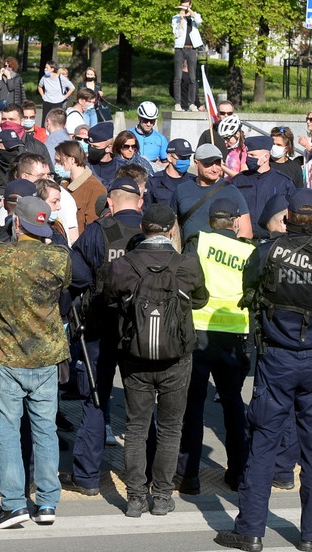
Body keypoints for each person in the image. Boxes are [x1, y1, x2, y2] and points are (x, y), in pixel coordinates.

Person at [215, 188, 312, 552]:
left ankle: (251, 530)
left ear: (287, 217)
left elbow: (249, 289)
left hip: (276, 359)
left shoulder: (267, 251)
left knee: (264, 444)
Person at [108, 204, 207, 517]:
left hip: (135, 356)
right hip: (176, 358)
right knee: (170, 428)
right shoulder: (187, 264)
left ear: (142, 228)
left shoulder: (124, 265)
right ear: (172, 229)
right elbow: (201, 299)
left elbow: (111, 301)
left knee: (136, 428)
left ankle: (135, 498)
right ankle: (162, 497)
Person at [0, 195, 70, 528]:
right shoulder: (59, 258)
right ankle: (47, 504)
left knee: (7, 433)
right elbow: (67, 285)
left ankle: (14, 505)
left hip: (7, 357)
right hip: (46, 358)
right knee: (45, 431)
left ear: (16, 223)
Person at [60, 177, 145, 498]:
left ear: (110, 202)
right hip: (143, 330)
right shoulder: (152, 230)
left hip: (101, 328)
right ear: (138, 203)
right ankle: (147, 475)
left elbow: (77, 277)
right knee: (142, 406)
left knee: (96, 401)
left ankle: (87, 477)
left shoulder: (98, 231)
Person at [177, 198, 251, 495]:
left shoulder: (199, 242)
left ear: (210, 221)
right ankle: (237, 473)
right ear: (235, 222)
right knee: (234, 406)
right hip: (234, 334)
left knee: (192, 406)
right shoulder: (249, 251)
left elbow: (184, 281)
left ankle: (189, 476)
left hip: (198, 332)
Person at [171, 143, 252, 246]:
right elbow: (174, 228)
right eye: (208, 164)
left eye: (218, 163)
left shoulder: (231, 191)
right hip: (189, 257)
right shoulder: (181, 190)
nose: (215, 169)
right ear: (196, 163)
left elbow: (246, 232)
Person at [233, 135, 296, 235]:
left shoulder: (283, 182)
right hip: (244, 238)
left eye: (252, 155)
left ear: (266, 157)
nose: (248, 159)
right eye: (248, 155)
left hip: (271, 239)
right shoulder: (239, 180)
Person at [171, 0, 202, 112]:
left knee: (192, 78)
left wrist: (190, 13)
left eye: (187, 6)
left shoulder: (194, 17)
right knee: (178, 77)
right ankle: (178, 103)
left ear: (190, 5)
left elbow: (199, 21)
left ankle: (192, 103)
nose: (185, 8)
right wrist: (182, 20)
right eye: (183, 6)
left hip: (192, 49)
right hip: (180, 48)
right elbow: (176, 33)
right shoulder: (176, 18)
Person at [145, 138, 194, 208]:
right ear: (169, 157)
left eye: (188, 157)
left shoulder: (193, 181)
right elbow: (146, 210)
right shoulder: (154, 181)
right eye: (182, 157)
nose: (186, 160)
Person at [132, 101, 169, 170]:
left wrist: (160, 166)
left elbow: (167, 161)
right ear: (139, 118)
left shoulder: (161, 138)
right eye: (145, 120)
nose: (149, 124)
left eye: (152, 121)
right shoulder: (128, 134)